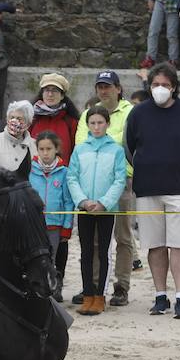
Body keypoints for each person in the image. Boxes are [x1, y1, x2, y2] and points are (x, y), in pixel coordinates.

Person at [125, 62, 180, 320]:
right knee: (155, 245)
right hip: (147, 190)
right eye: (156, 84)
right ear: (149, 86)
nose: (160, 89)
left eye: (165, 85)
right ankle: (160, 296)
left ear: (174, 87)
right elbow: (129, 147)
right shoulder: (138, 114)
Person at [75, 71, 137, 307]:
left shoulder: (131, 112)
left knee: (122, 236)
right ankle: (92, 286)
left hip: (122, 181)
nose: (104, 90)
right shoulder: (88, 114)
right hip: (92, 180)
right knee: (95, 240)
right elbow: (82, 143)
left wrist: (101, 139)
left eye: (108, 86)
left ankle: (121, 286)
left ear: (118, 89)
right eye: (100, 86)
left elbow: (126, 143)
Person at [68, 106, 127, 316]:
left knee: (103, 251)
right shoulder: (80, 149)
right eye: (92, 123)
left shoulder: (116, 150)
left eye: (100, 122)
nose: (96, 126)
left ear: (107, 124)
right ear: (87, 125)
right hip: (85, 208)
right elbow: (72, 177)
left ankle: (100, 296)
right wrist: (83, 201)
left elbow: (120, 179)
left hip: (106, 209)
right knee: (86, 252)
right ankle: (88, 295)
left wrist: (104, 202)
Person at [29, 132, 74, 302]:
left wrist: (67, 225)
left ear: (56, 149)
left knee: (52, 258)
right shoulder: (30, 171)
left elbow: (68, 201)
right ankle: (36, 288)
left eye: (49, 149)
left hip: (55, 225)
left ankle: (54, 287)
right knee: (36, 258)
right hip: (35, 225)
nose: (45, 153)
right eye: (42, 149)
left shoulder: (64, 172)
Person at [29, 74, 79, 165]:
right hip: (34, 173)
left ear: (62, 95)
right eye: (47, 90)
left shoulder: (70, 121)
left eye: (55, 91)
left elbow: (75, 150)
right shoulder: (32, 118)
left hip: (62, 174)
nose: (50, 94)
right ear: (42, 93)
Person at [0, 100, 38, 178]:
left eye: (19, 119)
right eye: (12, 117)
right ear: (7, 120)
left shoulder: (35, 145)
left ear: (28, 124)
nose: (14, 121)